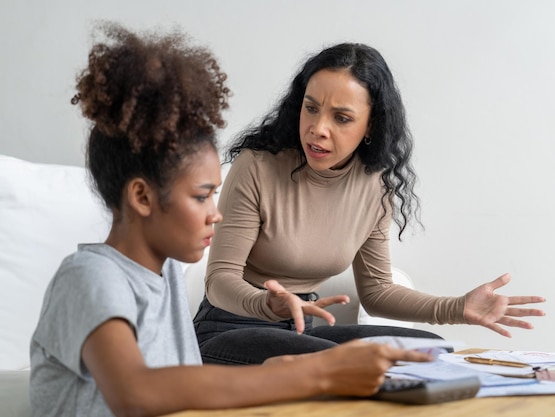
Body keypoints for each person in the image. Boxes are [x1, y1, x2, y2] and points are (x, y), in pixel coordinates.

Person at [29, 24, 433, 417]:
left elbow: (181, 396)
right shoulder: (90, 277)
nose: (216, 213)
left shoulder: (161, 277)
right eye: (203, 196)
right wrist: (307, 373)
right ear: (142, 197)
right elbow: (135, 394)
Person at [193, 42, 546, 365]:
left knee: (431, 351)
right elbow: (220, 279)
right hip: (227, 331)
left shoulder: (374, 186)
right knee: (345, 362)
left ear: (371, 125)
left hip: (300, 333)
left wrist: (458, 308)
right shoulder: (257, 167)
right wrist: (267, 304)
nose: (318, 128)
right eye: (311, 108)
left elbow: (376, 292)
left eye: (341, 118)